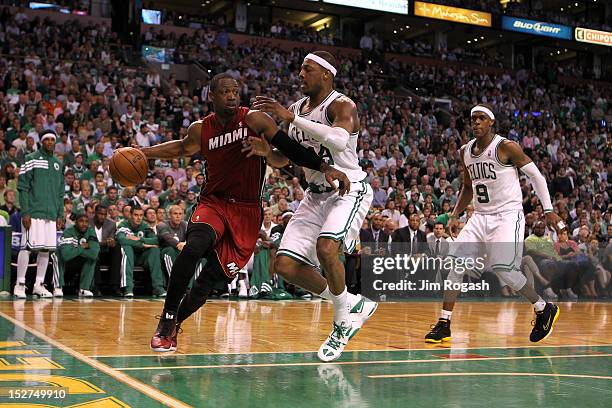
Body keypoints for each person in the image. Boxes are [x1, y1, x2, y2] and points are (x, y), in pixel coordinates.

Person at [143, 73, 350, 352]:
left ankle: (176, 322)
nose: (231, 95)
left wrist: (325, 168)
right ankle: (166, 320)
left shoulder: (255, 120)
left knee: (205, 285)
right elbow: (182, 147)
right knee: (194, 247)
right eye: (225, 91)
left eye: (235, 91)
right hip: (213, 202)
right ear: (211, 96)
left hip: (247, 212)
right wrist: (143, 152)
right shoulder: (200, 129)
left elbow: (289, 151)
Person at [247, 51, 377, 362]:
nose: (301, 74)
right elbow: (288, 158)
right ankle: (349, 303)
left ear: (326, 75)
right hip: (314, 195)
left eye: (308, 69)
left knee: (327, 247)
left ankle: (341, 324)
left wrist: (291, 119)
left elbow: (338, 141)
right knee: (285, 266)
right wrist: (268, 152)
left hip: (348, 189)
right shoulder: (295, 108)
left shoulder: (342, 105)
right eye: (301, 68)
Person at [425, 104, 563, 344]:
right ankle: (444, 322)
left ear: (491, 122)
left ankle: (543, 307)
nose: (476, 122)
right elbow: (468, 187)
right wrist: (456, 214)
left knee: (504, 270)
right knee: (456, 263)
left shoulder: (506, 147)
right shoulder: (465, 151)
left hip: (507, 215)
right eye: (473, 119)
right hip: (480, 216)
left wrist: (549, 209)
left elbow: (536, 177)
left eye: (481, 118)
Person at [13, 131, 64, 299]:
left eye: (52, 140)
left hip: (51, 214)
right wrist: (25, 212)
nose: (50, 142)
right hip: (33, 212)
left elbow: (60, 193)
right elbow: (23, 187)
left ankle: (38, 284)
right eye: (46, 139)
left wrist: (60, 214)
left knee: (46, 250)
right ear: (41, 142)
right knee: (26, 247)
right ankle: (20, 284)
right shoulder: (31, 158)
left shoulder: (58, 163)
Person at [116, 207, 165, 297]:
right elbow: (121, 240)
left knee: (154, 250)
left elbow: (156, 240)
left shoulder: (145, 225)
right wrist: (142, 244)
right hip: (129, 256)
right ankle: (128, 288)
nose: (139, 218)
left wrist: (140, 239)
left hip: (142, 257)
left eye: (141, 215)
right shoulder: (123, 225)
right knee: (126, 247)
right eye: (136, 215)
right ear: (130, 215)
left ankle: (158, 288)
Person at [51, 213, 99, 297]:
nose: (84, 224)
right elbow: (66, 255)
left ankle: (84, 289)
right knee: (57, 255)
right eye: (81, 221)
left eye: (86, 222)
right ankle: (58, 287)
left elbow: (94, 253)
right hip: (67, 262)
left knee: (93, 259)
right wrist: (82, 247)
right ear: (76, 222)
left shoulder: (91, 231)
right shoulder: (68, 232)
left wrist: (76, 248)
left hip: (78, 259)